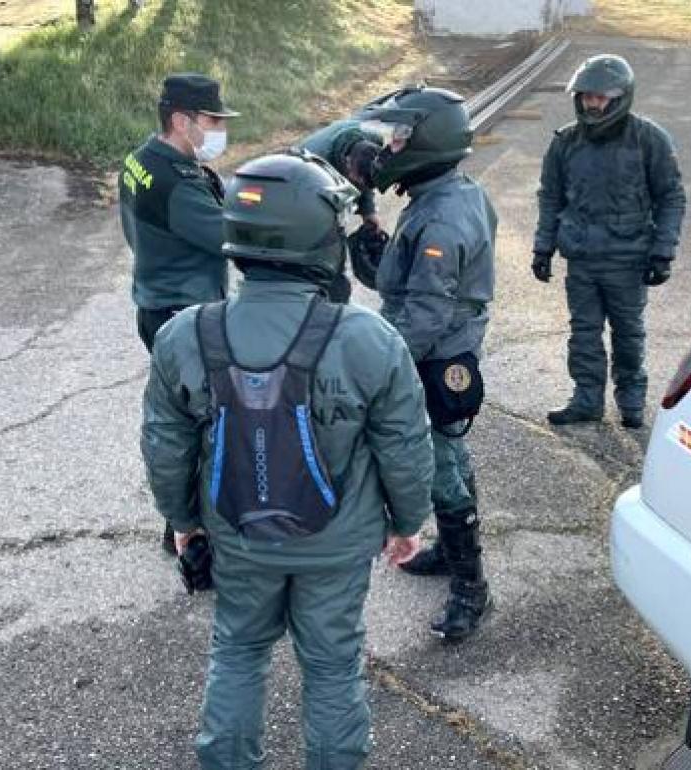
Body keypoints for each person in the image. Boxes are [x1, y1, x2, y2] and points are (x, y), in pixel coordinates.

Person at [140, 150, 435, 769]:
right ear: (319, 240)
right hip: (337, 542)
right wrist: (409, 522)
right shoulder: (368, 339)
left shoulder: (184, 335)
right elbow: (404, 445)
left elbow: (166, 445)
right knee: (332, 667)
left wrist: (181, 518)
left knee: (239, 651)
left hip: (239, 535)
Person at [356, 86, 497, 641]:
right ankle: (452, 551)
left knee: (438, 462)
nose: (390, 146)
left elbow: (426, 312)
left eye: (399, 136)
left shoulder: (440, 217)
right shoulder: (452, 193)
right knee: (452, 453)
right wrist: (385, 255)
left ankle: (471, 586)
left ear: (427, 142)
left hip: (432, 356)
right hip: (448, 348)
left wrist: (381, 368)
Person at [531, 54, 686, 430]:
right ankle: (586, 400)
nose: (591, 103)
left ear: (620, 97)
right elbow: (550, 196)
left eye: (600, 97)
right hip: (581, 259)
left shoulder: (649, 139)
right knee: (583, 333)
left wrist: (663, 251)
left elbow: (671, 197)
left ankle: (631, 400)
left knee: (628, 333)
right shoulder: (565, 142)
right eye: (586, 96)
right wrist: (542, 246)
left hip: (628, 260)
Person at [120, 72, 238, 554]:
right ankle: (190, 529)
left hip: (154, 299)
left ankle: (183, 521)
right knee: (200, 422)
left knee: (179, 414)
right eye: (211, 120)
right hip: (183, 313)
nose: (218, 129)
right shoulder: (176, 182)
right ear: (181, 120)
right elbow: (228, 234)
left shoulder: (141, 160)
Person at [298, 119, 387, 303]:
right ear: (346, 162)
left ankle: (338, 302)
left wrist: (368, 211)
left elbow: (365, 181)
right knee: (327, 246)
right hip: (300, 192)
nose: (359, 186)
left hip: (337, 170)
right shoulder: (314, 163)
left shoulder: (375, 143)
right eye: (356, 181)